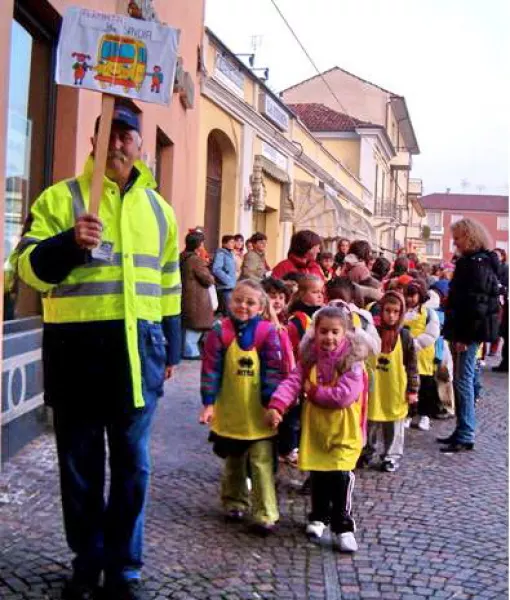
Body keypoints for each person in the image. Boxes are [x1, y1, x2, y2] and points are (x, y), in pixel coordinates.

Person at [15, 103, 181, 600]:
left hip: (138, 354)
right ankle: (87, 560)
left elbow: (168, 283)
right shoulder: (60, 199)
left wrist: (170, 346)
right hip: (76, 354)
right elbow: (25, 269)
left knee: (133, 467)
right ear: (93, 140)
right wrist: (69, 243)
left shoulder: (159, 209)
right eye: (108, 133)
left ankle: (124, 566)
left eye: (126, 135)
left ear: (139, 144)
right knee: (81, 469)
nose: (117, 144)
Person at [266, 305, 369, 552]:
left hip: (344, 430)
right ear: (316, 332)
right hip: (318, 429)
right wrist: (278, 404)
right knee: (320, 474)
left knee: (341, 476)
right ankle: (318, 515)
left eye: (335, 332)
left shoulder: (353, 362)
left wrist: (314, 392)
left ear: (345, 333)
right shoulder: (309, 358)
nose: (329, 337)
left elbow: (344, 395)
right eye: (324, 331)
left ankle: (343, 526)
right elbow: (293, 381)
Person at [199, 280, 283, 533]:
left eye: (250, 302)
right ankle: (233, 501)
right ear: (230, 301)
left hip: (259, 412)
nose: (243, 306)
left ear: (260, 307)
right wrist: (208, 403)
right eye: (238, 300)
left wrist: (273, 405)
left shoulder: (267, 332)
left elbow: (273, 371)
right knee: (233, 459)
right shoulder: (219, 332)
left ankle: (265, 512)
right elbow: (210, 370)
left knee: (261, 461)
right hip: (231, 410)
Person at [440, 218, 500, 452]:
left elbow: (475, 304)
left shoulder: (475, 264)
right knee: (463, 378)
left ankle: (465, 432)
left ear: (469, 237)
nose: (455, 244)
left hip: (468, 331)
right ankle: (462, 429)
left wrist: (463, 336)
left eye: (457, 238)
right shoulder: (478, 262)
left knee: (463, 380)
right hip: (468, 329)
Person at [364, 292, 419, 472]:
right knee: (370, 422)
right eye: (388, 310)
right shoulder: (372, 332)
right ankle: (367, 452)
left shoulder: (404, 336)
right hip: (374, 388)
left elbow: (412, 365)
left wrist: (412, 389)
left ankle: (391, 456)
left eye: (396, 311)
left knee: (394, 424)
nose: (391, 315)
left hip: (395, 388)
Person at [403, 280, 440, 430]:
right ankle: (409, 414)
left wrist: (415, 345)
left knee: (425, 386)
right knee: (408, 385)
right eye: (407, 295)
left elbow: (432, 333)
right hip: (407, 355)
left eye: (413, 295)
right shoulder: (403, 311)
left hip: (424, 355)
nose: (409, 299)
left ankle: (425, 415)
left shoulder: (429, 313)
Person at [180, 232, 215, 359]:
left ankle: (187, 351)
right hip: (196, 298)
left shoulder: (182, 257)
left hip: (186, 296)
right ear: (197, 245)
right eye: (202, 243)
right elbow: (208, 279)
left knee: (188, 325)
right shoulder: (196, 260)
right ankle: (190, 352)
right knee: (195, 325)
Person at [211, 235, 237, 314]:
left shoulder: (230, 254)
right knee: (226, 312)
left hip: (230, 287)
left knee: (230, 311)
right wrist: (228, 280)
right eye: (231, 242)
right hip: (224, 288)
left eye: (233, 242)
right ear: (224, 243)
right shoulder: (221, 253)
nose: (233, 244)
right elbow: (216, 269)